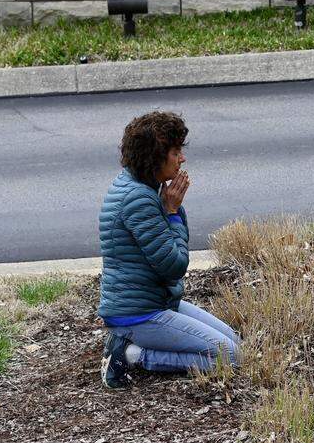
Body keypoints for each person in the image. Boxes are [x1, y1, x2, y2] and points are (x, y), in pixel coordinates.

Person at [97, 111, 240, 389]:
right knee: (231, 358)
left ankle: (131, 346)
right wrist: (172, 211)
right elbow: (174, 266)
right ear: (154, 158)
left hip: (154, 302)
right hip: (138, 313)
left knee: (234, 341)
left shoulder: (140, 185)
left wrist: (170, 209)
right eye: (175, 152)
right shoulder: (138, 199)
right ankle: (131, 355)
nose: (182, 158)